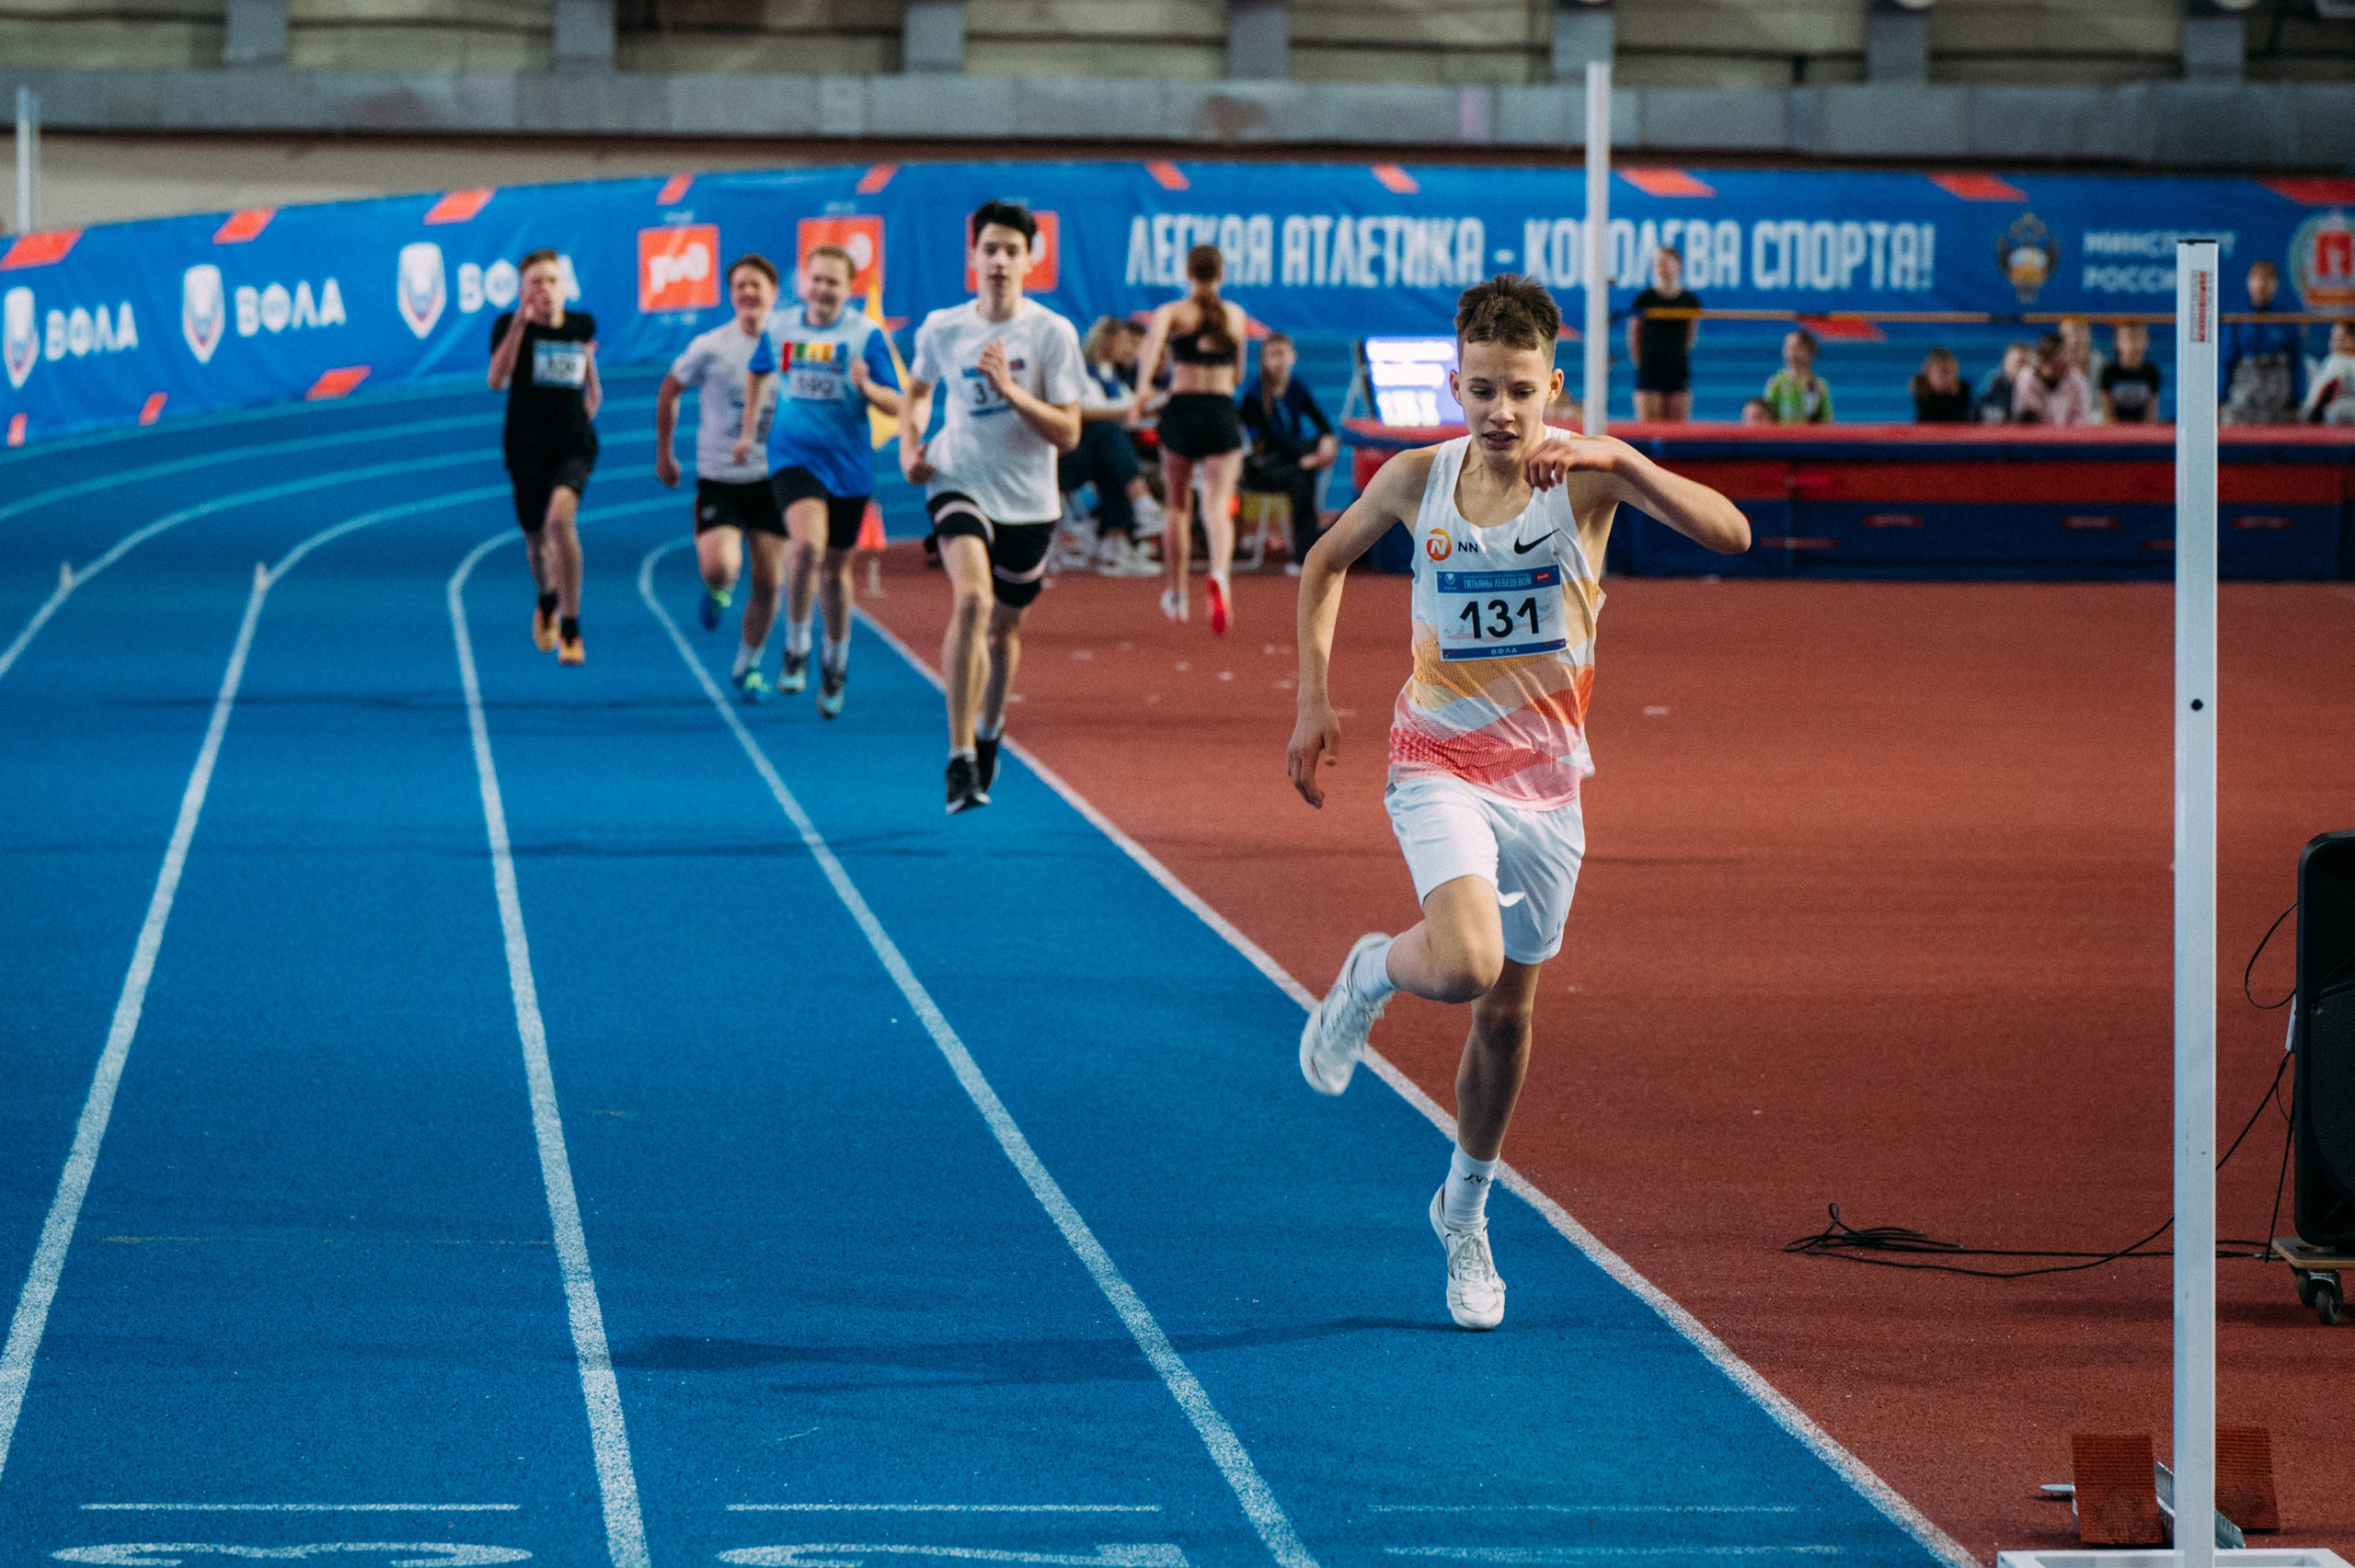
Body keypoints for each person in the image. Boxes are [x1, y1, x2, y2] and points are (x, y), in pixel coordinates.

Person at [1286, 275, 1748, 1332]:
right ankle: (1371, 969)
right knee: (1464, 961)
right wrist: (1312, 699)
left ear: (1553, 388)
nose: (1500, 412)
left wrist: (1621, 460)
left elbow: (1732, 536)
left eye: (1521, 394)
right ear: (1455, 381)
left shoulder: (1586, 479)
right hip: (1435, 761)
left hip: (1547, 786)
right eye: (1481, 389)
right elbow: (1322, 562)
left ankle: (1464, 1209)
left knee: (1508, 1012)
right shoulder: (1418, 477)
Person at [900, 200, 1086, 814]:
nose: (1000, 260)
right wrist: (909, 445)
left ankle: (990, 727)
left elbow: (1069, 433)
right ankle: (958, 757)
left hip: (1030, 500)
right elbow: (918, 388)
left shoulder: (1052, 333)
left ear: (1030, 260)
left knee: (1005, 629)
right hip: (958, 476)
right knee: (973, 599)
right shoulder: (943, 328)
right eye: (990, 249)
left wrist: (1009, 390)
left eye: (1012, 249)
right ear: (973, 258)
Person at [740, 245, 902, 717]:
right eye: (817, 280)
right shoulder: (780, 326)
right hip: (794, 455)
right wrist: (752, 428)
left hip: (847, 466)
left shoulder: (865, 335)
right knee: (807, 548)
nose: (824, 289)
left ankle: (835, 662)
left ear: (848, 288)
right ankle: (796, 646)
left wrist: (866, 386)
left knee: (835, 571)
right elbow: (757, 373)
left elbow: (898, 403)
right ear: (804, 283)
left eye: (834, 282)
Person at [656, 253, 786, 698]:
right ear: (731, 296)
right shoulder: (711, 347)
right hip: (720, 479)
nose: (748, 293)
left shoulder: (791, 343)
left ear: (774, 293)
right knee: (721, 567)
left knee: (770, 583)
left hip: (774, 480)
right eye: (740, 286)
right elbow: (669, 389)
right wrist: (665, 455)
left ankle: (747, 666)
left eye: (757, 285)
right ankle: (717, 592)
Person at [488, 248, 601, 666]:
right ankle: (547, 599)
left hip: (573, 445)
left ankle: (571, 629)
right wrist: (519, 324)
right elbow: (497, 379)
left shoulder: (581, 324)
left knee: (559, 522)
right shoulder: (508, 327)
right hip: (525, 448)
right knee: (536, 545)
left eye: (552, 280)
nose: (545, 289)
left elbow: (586, 364)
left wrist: (594, 392)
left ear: (564, 286)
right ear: (523, 290)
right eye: (536, 282)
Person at [1133, 244, 1250, 633]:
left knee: (1177, 507)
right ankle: (1220, 575)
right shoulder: (1235, 315)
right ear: (1221, 273)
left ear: (1188, 272)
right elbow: (1236, 376)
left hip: (1182, 411)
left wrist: (1141, 394)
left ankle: (1177, 594)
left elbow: (1150, 355)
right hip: (1219, 411)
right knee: (1216, 507)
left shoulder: (1172, 313)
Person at [1063, 317, 1162, 578]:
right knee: (1109, 434)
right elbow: (1085, 412)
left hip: (1098, 456)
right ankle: (1141, 502)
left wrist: (1156, 400)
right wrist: (1134, 406)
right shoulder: (1084, 371)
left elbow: (1128, 407)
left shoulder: (1114, 375)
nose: (1127, 349)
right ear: (1107, 342)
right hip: (1068, 457)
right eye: (1123, 342)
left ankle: (1115, 544)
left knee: (1113, 460)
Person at [1239, 332, 1338, 577]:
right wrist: (1306, 460)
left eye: (1282, 354)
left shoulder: (1296, 387)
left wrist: (1326, 443)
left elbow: (1323, 424)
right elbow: (1271, 440)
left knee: (1315, 451)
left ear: (1292, 357)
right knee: (1302, 476)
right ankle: (1305, 555)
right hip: (1262, 467)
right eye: (1271, 355)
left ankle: (1309, 550)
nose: (1277, 361)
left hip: (1294, 459)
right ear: (1263, 360)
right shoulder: (1254, 394)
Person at [2220, 259, 2307, 426]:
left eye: (2267, 279)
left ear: (2275, 284)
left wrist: (2296, 400)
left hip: (2277, 398)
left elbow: (2296, 362)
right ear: (2249, 282)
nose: (2261, 284)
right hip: (2243, 395)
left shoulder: (2287, 318)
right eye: (2256, 278)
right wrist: (2220, 397)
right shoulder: (2236, 316)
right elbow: (2225, 358)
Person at [1628, 246, 1699, 422]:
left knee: (1677, 432)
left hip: (1677, 368)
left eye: (1666, 263)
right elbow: (1634, 335)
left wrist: (1677, 356)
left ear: (1678, 266)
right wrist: (1642, 363)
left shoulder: (1689, 300)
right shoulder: (1645, 299)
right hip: (1650, 367)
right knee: (1648, 428)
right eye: (1658, 264)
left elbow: (1690, 335)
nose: (1662, 267)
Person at [2011, 332, 2093, 427]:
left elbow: (2082, 420)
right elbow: (2022, 419)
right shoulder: (2027, 378)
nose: (2062, 360)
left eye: (2063, 354)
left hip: (2070, 439)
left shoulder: (2076, 379)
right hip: (2035, 439)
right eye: (2053, 356)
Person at [1761, 329, 1832, 425]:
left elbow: (1826, 420)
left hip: (1809, 438)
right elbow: (1767, 418)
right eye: (1788, 349)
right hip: (1782, 438)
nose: (1792, 354)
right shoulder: (1776, 383)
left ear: (1810, 351)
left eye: (1797, 348)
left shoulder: (1819, 385)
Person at [2098, 320, 2164, 424]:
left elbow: (2151, 416)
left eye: (2138, 337)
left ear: (2146, 340)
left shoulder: (2151, 372)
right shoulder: (2108, 372)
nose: (2132, 344)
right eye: (2128, 337)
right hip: (2115, 434)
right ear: (2117, 341)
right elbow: (2107, 416)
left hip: (2143, 435)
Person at [2301, 320, 2355, 425]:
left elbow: (2323, 397)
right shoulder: (2336, 360)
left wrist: (2315, 412)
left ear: (2352, 340)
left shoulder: (2339, 361)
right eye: (2333, 338)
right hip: (2329, 420)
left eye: (2338, 339)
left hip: (2326, 422)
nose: (2332, 342)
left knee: (2332, 410)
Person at [2058, 315, 2108, 421]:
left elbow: (2106, 409)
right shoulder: (2055, 368)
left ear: (2089, 334)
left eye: (2080, 332)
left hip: (2097, 428)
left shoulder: (2102, 365)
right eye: (2068, 335)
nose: (2075, 340)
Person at [1909, 348, 1971, 423]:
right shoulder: (1922, 393)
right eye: (1943, 373)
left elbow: (1962, 422)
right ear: (1929, 374)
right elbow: (1927, 421)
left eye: (1953, 373)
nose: (1948, 378)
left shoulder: (1963, 391)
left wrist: (1955, 396)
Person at [1976, 342, 2031, 423]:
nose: (2017, 366)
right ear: (2005, 363)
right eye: (2013, 362)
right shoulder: (1991, 391)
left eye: (2022, 362)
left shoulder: (2038, 393)